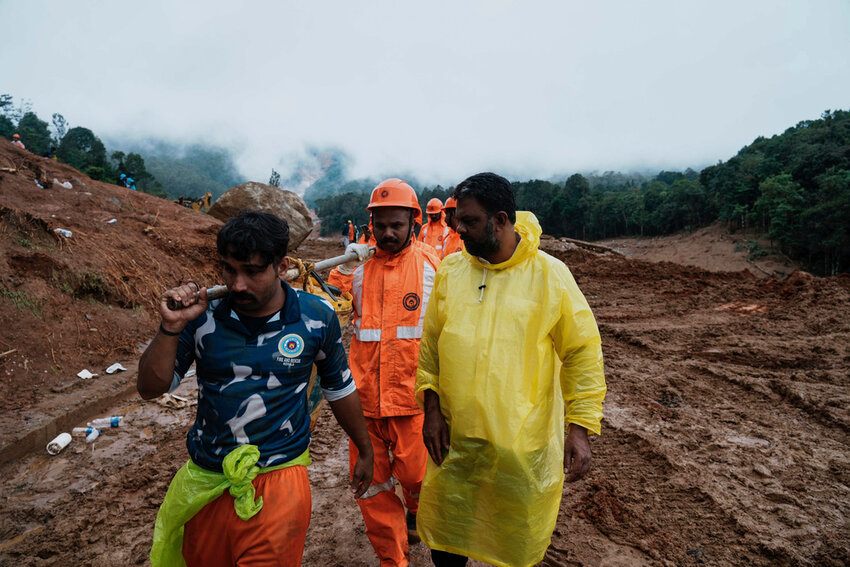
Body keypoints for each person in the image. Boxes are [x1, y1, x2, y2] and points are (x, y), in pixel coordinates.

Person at [138, 210, 374, 567]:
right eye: (229, 269)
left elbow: (338, 387)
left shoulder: (314, 317)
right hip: (207, 477)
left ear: (281, 267)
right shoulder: (203, 316)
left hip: (280, 477)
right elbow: (151, 388)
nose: (237, 285)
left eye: (252, 271)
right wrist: (170, 327)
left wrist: (364, 447)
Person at [415, 173, 607, 567]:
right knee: (448, 541)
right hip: (457, 438)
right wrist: (432, 410)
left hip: (520, 444)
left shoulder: (550, 275)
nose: (457, 228)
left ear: (500, 220)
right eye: (455, 219)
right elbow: (431, 346)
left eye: (468, 221)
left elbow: (582, 352)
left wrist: (579, 427)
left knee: (516, 541)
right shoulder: (453, 271)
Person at [328, 178, 441, 567]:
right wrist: (332, 266)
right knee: (373, 489)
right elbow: (326, 303)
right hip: (364, 405)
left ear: (414, 221)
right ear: (370, 224)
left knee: (416, 478)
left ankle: (414, 508)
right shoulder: (356, 268)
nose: (388, 233)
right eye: (381, 225)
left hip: (413, 402)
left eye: (397, 225)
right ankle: (393, 560)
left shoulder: (433, 267)